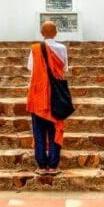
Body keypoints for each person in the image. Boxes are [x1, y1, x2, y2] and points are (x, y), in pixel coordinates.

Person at [26, 20, 69, 175]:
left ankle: (42, 166)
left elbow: (31, 69)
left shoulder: (35, 49)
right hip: (55, 96)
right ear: (56, 33)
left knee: (38, 131)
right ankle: (53, 165)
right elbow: (64, 67)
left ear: (42, 33)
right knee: (54, 128)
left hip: (38, 94)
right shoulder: (62, 48)